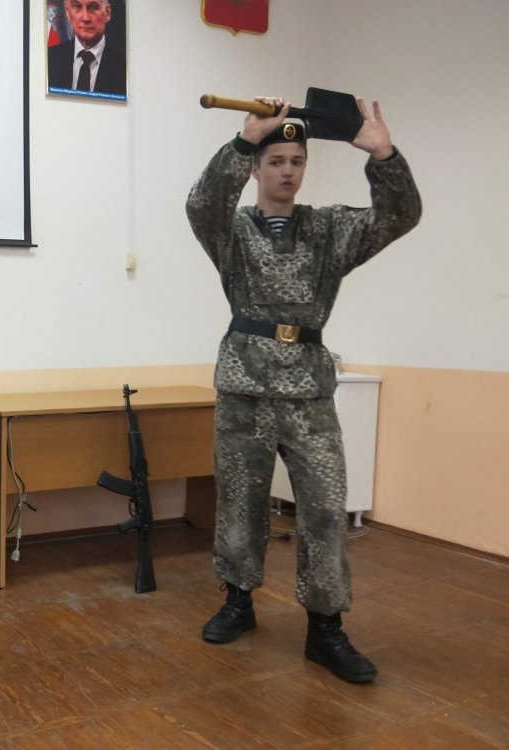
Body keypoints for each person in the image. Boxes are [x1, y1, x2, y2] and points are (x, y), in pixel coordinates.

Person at [185, 97, 421, 683]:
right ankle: (238, 600)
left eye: (296, 161)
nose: (287, 171)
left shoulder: (330, 228)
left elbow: (400, 216)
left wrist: (384, 157)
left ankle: (326, 628)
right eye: (275, 161)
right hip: (244, 384)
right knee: (240, 502)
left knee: (324, 507)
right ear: (257, 170)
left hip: (309, 389)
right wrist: (244, 140)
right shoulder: (233, 229)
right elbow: (201, 203)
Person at [47, 0, 126, 97]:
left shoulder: (125, 66)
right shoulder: (49, 59)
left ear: (107, 12)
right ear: (67, 11)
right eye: (77, 7)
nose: (85, 18)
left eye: (93, 7)